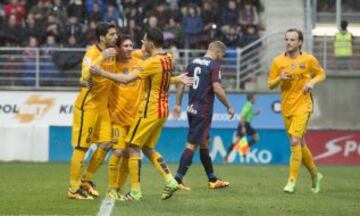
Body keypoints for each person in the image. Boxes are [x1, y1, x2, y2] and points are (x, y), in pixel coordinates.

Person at [90, 28, 192, 201]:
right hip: (162, 110)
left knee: (132, 146)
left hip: (149, 110)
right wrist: (177, 79)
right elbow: (161, 79)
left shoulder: (150, 62)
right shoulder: (168, 58)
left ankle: (135, 191)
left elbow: (127, 79)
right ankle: (170, 180)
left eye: (144, 40)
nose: (142, 43)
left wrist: (102, 72)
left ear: (151, 42)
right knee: (147, 147)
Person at [268, 28, 325, 194]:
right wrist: (280, 78)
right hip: (287, 107)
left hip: (304, 105)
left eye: (292, 40)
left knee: (294, 142)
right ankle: (315, 175)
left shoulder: (308, 59)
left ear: (300, 42)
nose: (288, 42)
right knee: (300, 143)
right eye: (287, 39)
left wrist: (312, 82)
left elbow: (321, 73)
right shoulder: (278, 61)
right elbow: (270, 84)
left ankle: (291, 181)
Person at [172, 41, 235, 191]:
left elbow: (181, 83)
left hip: (191, 108)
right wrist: (229, 106)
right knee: (192, 145)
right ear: (218, 52)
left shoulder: (193, 62)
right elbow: (217, 89)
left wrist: (178, 104)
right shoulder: (214, 66)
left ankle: (212, 179)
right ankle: (177, 180)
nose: (221, 58)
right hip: (203, 110)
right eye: (222, 55)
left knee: (204, 142)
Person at [68, 22, 118, 200]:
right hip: (87, 106)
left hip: (102, 107)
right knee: (82, 147)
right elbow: (84, 76)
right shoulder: (93, 53)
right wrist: (101, 57)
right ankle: (73, 189)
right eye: (112, 34)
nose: (115, 37)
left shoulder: (114, 51)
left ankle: (85, 179)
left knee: (107, 143)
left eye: (115, 34)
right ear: (102, 37)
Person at [224, 93, 261, 162]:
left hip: (247, 125)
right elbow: (242, 116)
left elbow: (250, 114)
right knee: (236, 141)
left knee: (256, 137)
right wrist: (243, 127)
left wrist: (256, 113)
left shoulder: (249, 105)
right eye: (254, 99)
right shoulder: (248, 105)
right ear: (251, 99)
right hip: (244, 124)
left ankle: (242, 149)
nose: (255, 100)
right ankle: (227, 156)